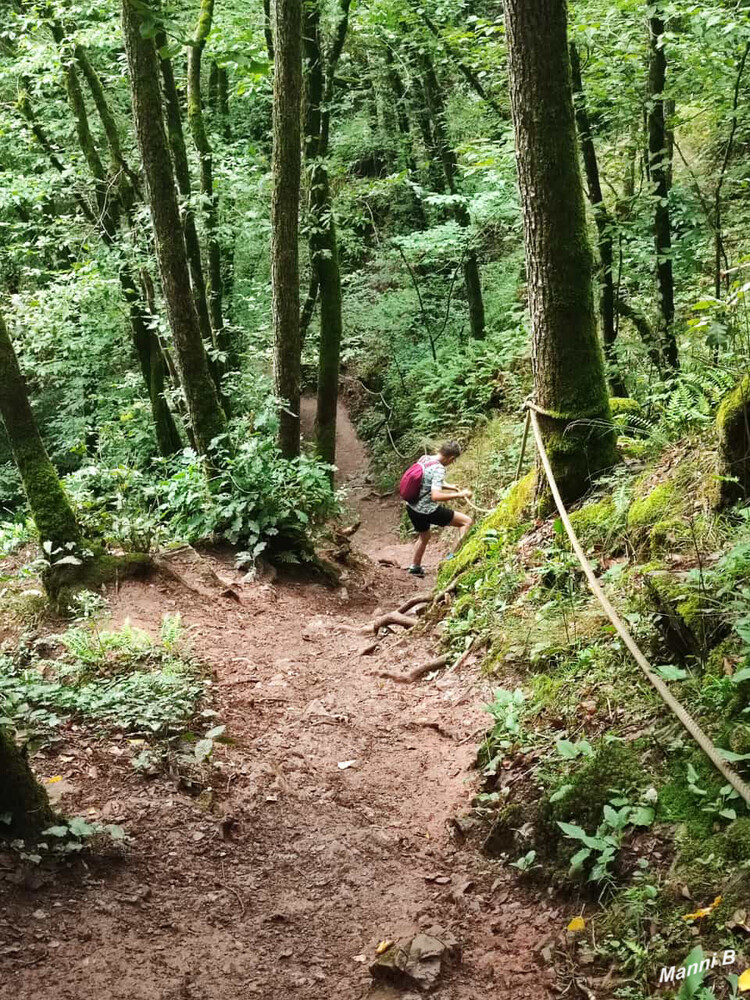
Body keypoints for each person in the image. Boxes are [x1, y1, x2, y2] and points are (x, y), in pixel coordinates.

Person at [405, 441, 473, 577]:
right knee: (466, 522)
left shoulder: (425, 458)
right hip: (426, 510)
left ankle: (415, 567)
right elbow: (435, 495)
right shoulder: (439, 469)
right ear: (451, 458)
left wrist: (450, 487)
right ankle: (450, 560)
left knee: (424, 536)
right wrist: (459, 494)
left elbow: (427, 481)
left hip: (412, 506)